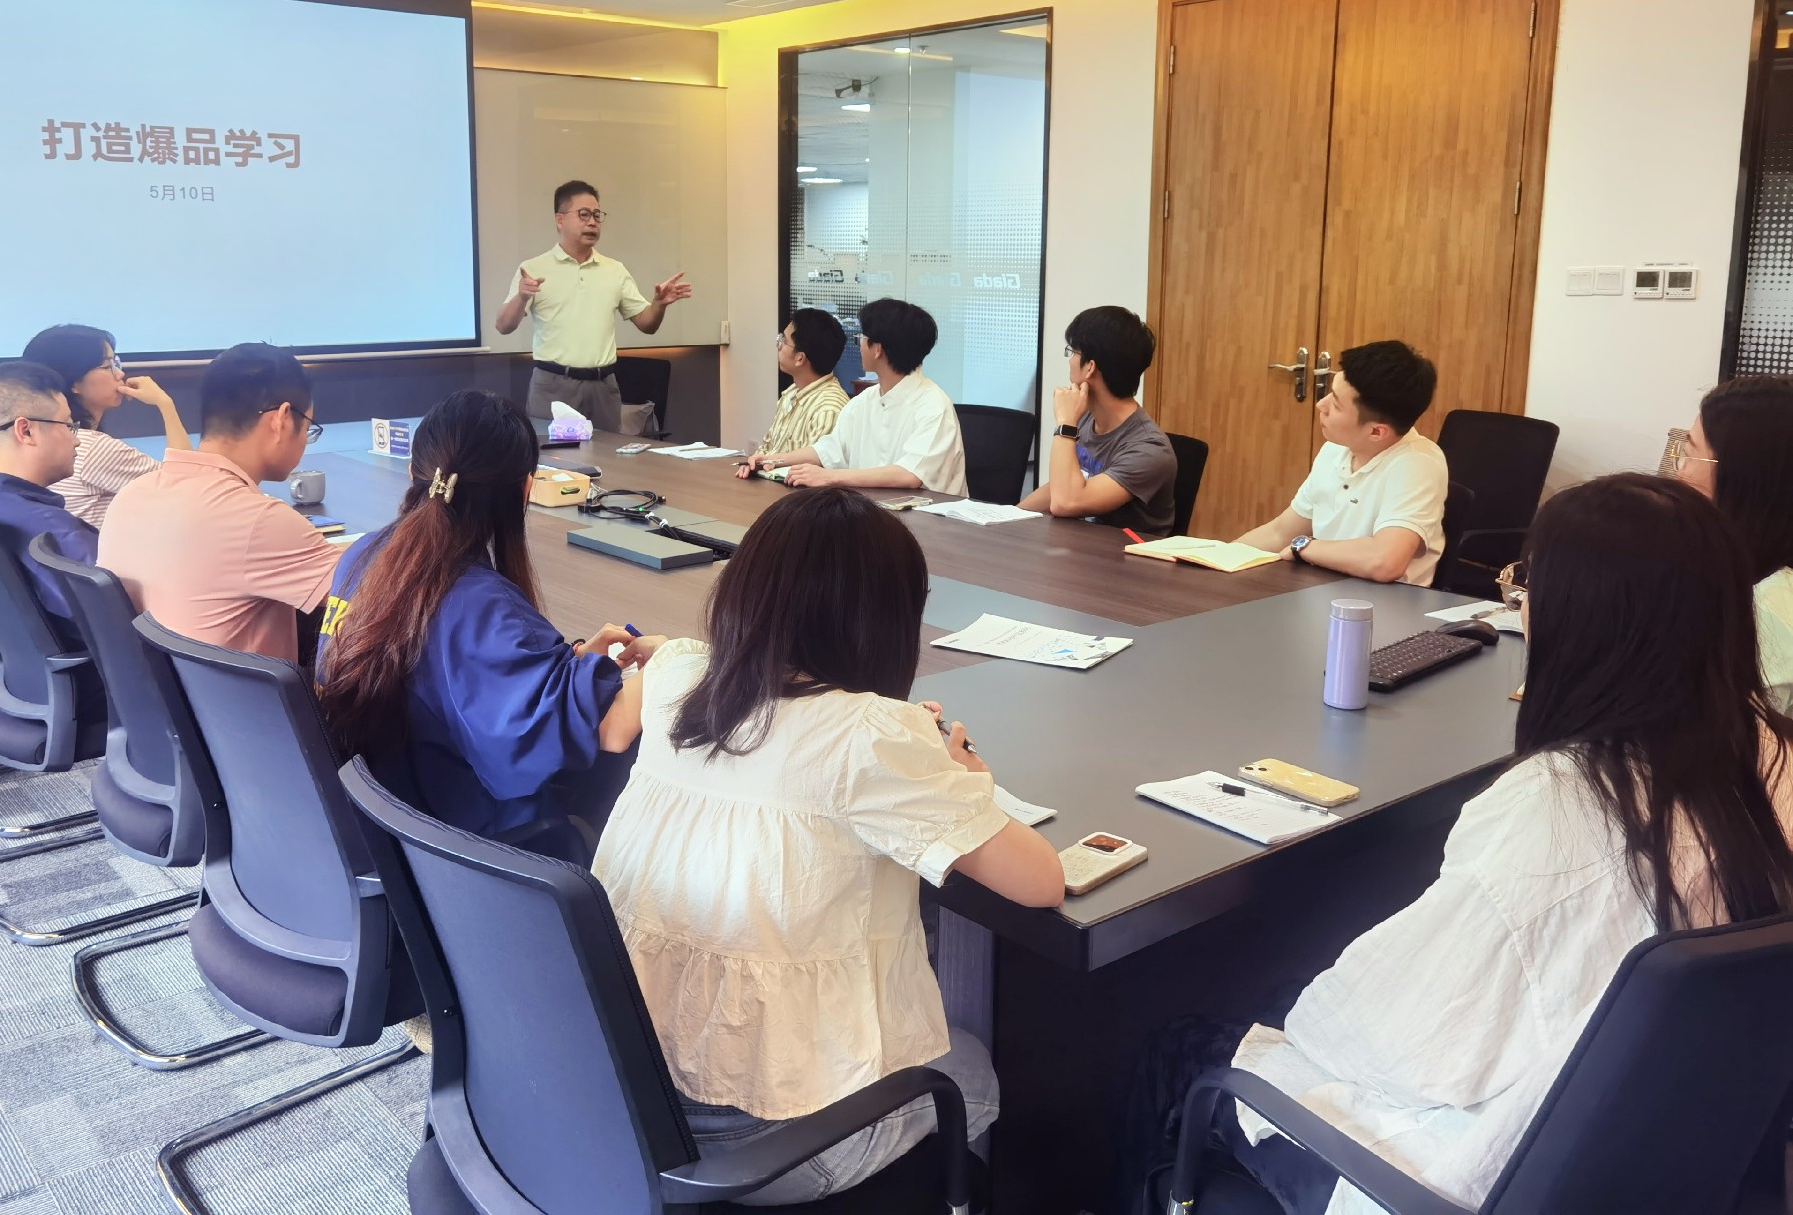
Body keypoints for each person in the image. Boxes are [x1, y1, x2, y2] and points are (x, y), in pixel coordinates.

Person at [1118, 474, 1793, 1215]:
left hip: (1452, 1175)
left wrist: (1308, 1008)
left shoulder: (1560, 806)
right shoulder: (1771, 756)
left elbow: (1396, 1043)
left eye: (1528, 582)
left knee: (1183, 1046)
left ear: (1575, 617)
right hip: (1667, 1153)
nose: (1521, 601)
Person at [592, 487, 1063, 1205]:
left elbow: (656, 690)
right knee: (970, 1068)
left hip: (621, 1096)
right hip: (764, 1146)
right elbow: (1041, 882)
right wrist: (971, 780)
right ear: (886, 622)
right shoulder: (869, 736)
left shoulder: (676, 678)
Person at [315, 390, 651, 843]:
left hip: (393, 827)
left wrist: (560, 668)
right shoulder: (483, 606)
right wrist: (673, 659)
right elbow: (612, 729)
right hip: (475, 849)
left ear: (413, 473)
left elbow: (453, 668)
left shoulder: (359, 556)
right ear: (526, 489)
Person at [98, 343, 340, 663]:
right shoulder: (259, 520)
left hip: (166, 690)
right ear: (281, 419)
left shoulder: (131, 495)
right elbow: (375, 593)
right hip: (255, 696)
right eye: (308, 428)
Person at [0, 360, 107, 721]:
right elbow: (121, 620)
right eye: (69, 425)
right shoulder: (51, 532)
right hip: (100, 689)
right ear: (26, 430)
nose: (76, 438)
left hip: (30, 681)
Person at [1236, 341, 1446, 584]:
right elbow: (1280, 532)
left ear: (1376, 432)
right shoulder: (1336, 448)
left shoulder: (1417, 464)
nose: (1320, 405)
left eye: (1335, 404)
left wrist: (1304, 547)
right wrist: (1217, 557)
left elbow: (1385, 561)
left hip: (1379, 602)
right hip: (1320, 589)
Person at [495, 179, 694, 431]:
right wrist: (522, 296)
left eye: (597, 215)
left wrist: (659, 304)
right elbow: (503, 326)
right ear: (560, 220)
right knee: (556, 456)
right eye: (584, 214)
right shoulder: (533, 268)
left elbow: (647, 324)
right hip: (553, 385)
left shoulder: (615, 270)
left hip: (603, 386)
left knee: (608, 455)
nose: (592, 222)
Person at [742, 299, 966, 495]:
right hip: (874, 513)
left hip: (930, 521)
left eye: (862, 338)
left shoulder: (933, 405)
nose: (859, 345)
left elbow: (909, 474)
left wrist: (829, 477)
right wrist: (772, 460)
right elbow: (828, 450)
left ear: (877, 349)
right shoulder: (865, 401)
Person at [1670, 374, 1793, 715]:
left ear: (1742, 477)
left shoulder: (1768, 609)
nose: (1678, 474)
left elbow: (1724, 734)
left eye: (1689, 455)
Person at [1019, 306, 1177, 534]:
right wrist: (1011, 516)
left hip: (1125, 555)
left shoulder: (1149, 449)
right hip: (1079, 547)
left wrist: (1065, 424)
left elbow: (1066, 502)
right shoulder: (1086, 418)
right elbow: (1060, 487)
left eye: (1073, 352)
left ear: (1090, 367)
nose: (1070, 360)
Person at [21, 323, 191, 527]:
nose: (119, 374)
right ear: (74, 382)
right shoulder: (90, 448)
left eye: (116, 363)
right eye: (107, 366)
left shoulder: (43, 438)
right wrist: (165, 404)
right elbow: (186, 489)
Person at [740, 307, 850, 467]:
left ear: (800, 358)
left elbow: (812, 470)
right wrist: (754, 463)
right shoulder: (791, 393)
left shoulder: (828, 410)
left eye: (783, 341)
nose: (778, 345)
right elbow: (768, 448)